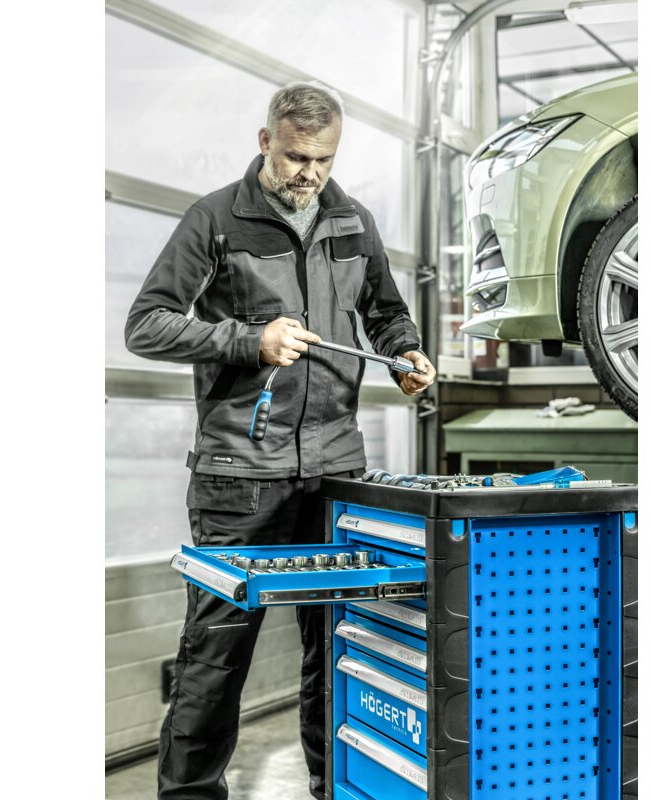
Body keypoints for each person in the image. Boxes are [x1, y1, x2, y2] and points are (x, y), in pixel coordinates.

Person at [124, 81, 435, 800]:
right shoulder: (216, 219)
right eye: (296, 157)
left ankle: (336, 789)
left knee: (336, 650)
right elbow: (147, 324)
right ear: (266, 142)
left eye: (323, 160)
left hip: (335, 475)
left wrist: (406, 353)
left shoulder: (352, 222)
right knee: (215, 658)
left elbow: (385, 312)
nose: (309, 174)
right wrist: (247, 340)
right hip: (240, 476)